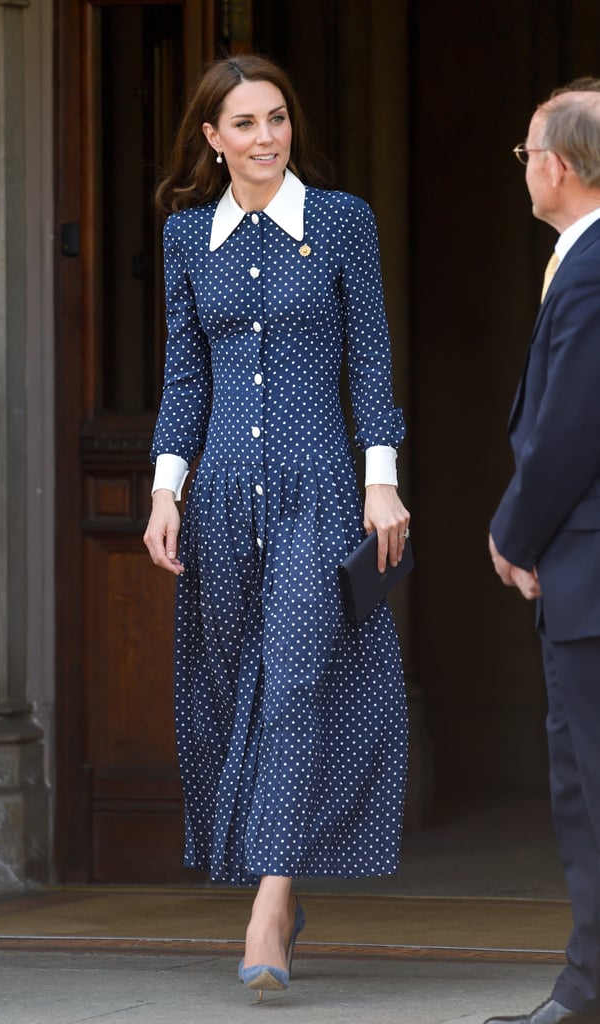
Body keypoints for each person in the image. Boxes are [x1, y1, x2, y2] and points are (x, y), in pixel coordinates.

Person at [143, 54, 410, 996]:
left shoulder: (341, 223)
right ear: (212, 140)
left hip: (321, 490)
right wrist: (163, 491)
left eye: (277, 119)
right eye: (245, 124)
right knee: (231, 687)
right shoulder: (185, 238)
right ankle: (275, 885)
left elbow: (370, 366)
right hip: (218, 496)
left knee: (295, 677)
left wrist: (381, 481)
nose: (266, 138)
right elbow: (184, 378)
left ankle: (270, 901)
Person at [487, 81, 600, 1024]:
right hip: (579, 571)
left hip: (589, 573)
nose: (524, 166)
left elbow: (569, 426)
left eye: (527, 151)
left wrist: (513, 532)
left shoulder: (595, 265)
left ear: (557, 165)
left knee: (590, 790)